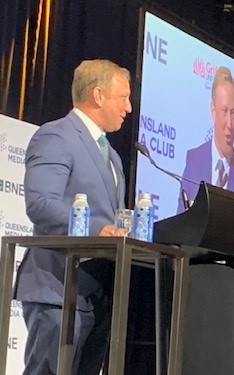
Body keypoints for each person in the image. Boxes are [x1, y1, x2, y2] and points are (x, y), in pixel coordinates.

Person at [13, 59, 132, 374]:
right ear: (98, 95)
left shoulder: (113, 157)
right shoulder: (56, 136)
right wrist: (99, 229)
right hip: (58, 288)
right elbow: (40, 203)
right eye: (123, 97)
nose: (129, 107)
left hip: (97, 295)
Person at [178, 66, 234, 213]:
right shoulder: (194, 160)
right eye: (224, 112)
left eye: (233, 113)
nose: (230, 124)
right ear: (213, 111)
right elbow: (181, 219)